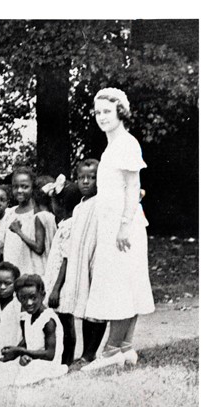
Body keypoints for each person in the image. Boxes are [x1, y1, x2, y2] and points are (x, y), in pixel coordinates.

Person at [81, 88, 155, 371]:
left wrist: (125, 225)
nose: (102, 117)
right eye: (98, 112)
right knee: (124, 283)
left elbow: (134, 185)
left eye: (107, 112)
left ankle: (111, 350)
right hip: (113, 223)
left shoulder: (126, 143)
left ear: (120, 112)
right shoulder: (113, 146)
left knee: (122, 285)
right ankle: (124, 347)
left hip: (123, 227)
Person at [62, 159, 106, 366]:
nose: (86, 182)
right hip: (81, 263)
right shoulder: (79, 207)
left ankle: (90, 352)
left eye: (92, 177)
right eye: (81, 178)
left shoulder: (103, 202)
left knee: (96, 308)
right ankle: (86, 354)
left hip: (97, 260)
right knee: (86, 308)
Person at [43, 180, 82, 365]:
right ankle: (62, 359)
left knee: (66, 322)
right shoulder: (65, 223)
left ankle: (67, 360)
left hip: (63, 284)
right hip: (58, 281)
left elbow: (66, 258)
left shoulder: (69, 226)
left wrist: (56, 288)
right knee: (63, 321)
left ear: (61, 204)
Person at [4, 165, 47, 276]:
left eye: (24, 186)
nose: (19, 190)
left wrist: (19, 232)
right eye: (15, 187)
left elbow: (39, 248)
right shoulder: (9, 213)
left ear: (32, 188)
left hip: (32, 272)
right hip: (12, 273)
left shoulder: (37, 214)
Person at [0, 262, 22, 361]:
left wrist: (15, 352)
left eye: (7, 283)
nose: (2, 287)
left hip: (14, 355)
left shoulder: (19, 304)